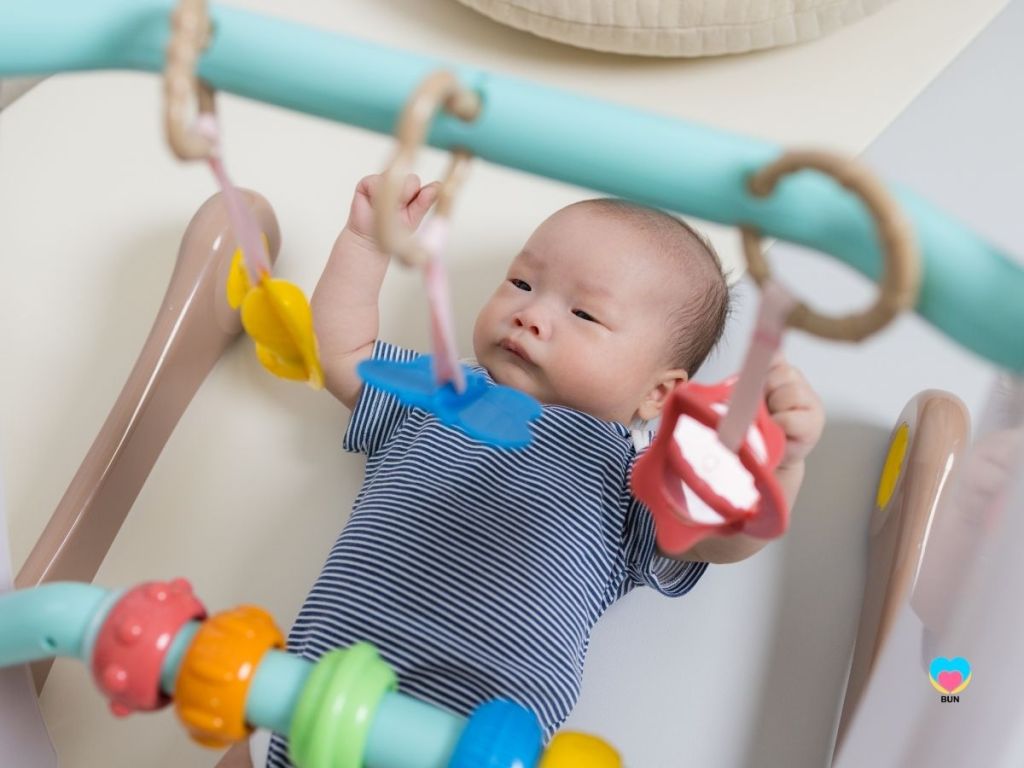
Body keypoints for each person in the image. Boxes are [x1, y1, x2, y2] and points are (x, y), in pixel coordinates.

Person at [223, 173, 825, 767]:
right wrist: (366, 245)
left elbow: (716, 538)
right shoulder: (441, 392)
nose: (531, 315)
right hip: (312, 698)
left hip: (468, 743)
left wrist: (779, 467)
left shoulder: (632, 477)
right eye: (521, 282)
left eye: (585, 315)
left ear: (659, 394)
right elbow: (339, 353)